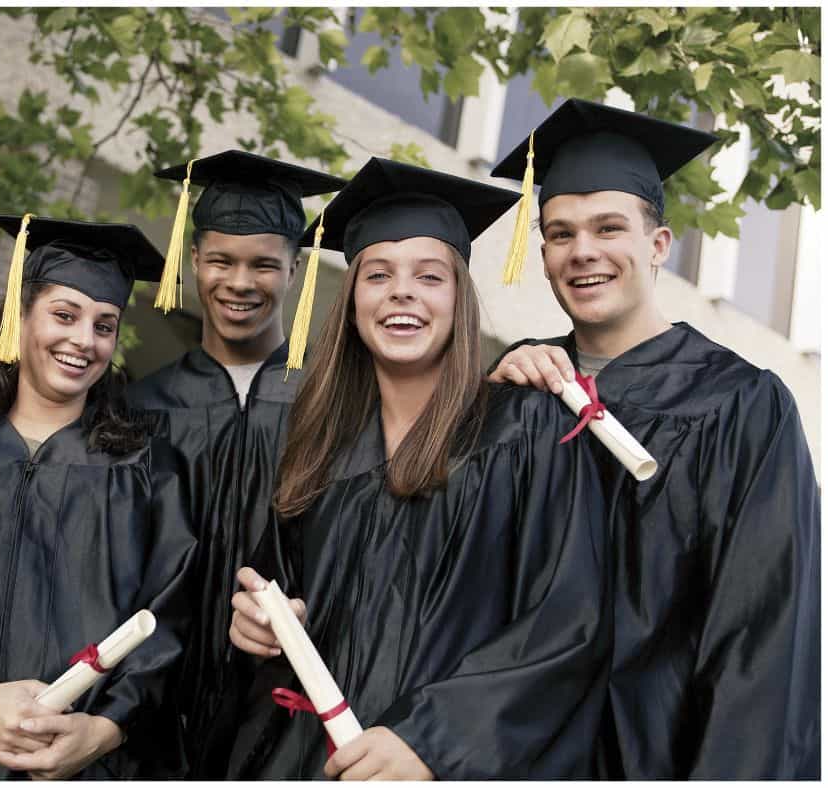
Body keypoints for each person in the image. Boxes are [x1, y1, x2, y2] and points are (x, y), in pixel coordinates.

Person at [227, 157, 612, 779]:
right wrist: (260, 626)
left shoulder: (523, 432)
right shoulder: (311, 446)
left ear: (459, 300)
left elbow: (565, 622)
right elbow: (276, 596)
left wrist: (430, 740)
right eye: (378, 274)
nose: (401, 290)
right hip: (316, 761)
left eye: (429, 276)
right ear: (352, 301)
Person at [488, 98, 820, 778]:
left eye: (609, 228)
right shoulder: (515, 394)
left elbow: (762, 637)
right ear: (544, 252)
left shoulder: (739, 405)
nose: (584, 251)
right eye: (560, 233)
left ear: (658, 245)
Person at [0, 215, 197, 780]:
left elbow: (170, 619)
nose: (84, 340)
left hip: (84, 762)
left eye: (104, 325)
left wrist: (103, 729)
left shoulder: (149, 475)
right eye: (64, 315)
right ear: (20, 314)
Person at [126, 150, 346, 777]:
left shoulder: (333, 402)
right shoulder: (139, 408)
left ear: (296, 268)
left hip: (285, 711)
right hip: (152, 714)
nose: (240, 282)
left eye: (263, 264)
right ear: (194, 261)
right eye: (221, 260)